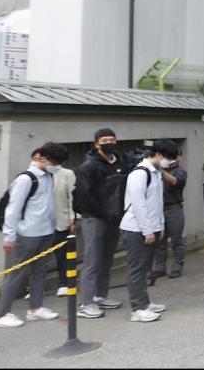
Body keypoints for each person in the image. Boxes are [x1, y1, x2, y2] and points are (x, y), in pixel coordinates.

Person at [0, 143, 62, 329]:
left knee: (40, 270)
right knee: (16, 273)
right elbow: (12, 208)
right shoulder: (26, 179)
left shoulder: (48, 176)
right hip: (27, 233)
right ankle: (2, 314)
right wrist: (9, 235)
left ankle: (35, 308)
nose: (56, 165)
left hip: (45, 231)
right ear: (41, 157)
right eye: (54, 161)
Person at [74, 128, 129, 318]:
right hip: (94, 218)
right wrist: (103, 212)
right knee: (92, 260)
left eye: (112, 139)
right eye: (105, 140)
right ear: (96, 144)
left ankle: (100, 295)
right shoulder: (88, 167)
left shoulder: (120, 162)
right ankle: (86, 302)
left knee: (107, 258)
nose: (109, 143)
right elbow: (85, 195)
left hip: (114, 218)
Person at [120, 139, 177, 323]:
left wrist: (159, 227)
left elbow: (156, 204)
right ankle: (138, 308)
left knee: (145, 267)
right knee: (137, 268)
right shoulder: (139, 174)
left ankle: (145, 302)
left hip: (150, 228)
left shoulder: (156, 173)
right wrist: (147, 230)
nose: (170, 163)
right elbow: (139, 205)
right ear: (159, 155)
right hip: (136, 228)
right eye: (169, 159)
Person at [153, 145, 188, 281]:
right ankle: (159, 268)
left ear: (179, 157)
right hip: (159, 209)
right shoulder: (156, 171)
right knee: (159, 242)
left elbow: (174, 182)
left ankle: (177, 267)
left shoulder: (180, 171)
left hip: (174, 209)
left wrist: (160, 170)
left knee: (176, 240)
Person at [49, 144, 75, 298]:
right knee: (38, 255)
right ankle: (33, 287)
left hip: (61, 219)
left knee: (62, 254)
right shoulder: (37, 173)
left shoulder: (67, 174)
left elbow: (72, 196)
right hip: (41, 222)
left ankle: (63, 282)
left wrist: (73, 217)